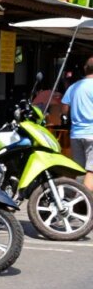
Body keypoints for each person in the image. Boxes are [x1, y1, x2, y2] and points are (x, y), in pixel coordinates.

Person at [62, 58, 93, 190]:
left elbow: (64, 110)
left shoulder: (73, 87)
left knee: (77, 169)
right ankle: (83, 204)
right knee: (91, 172)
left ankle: (68, 199)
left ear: (85, 69)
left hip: (76, 134)